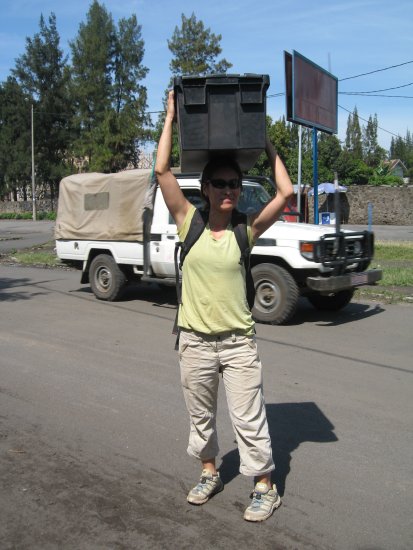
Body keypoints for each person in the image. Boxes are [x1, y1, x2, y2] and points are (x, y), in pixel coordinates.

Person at [155, 90, 293, 522]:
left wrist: (267, 143)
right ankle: (209, 472)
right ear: (206, 189)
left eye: (234, 184)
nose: (229, 190)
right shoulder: (187, 223)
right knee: (200, 418)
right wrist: (171, 117)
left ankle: (264, 486)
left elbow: (286, 192)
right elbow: (161, 170)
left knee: (249, 419)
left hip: (238, 345)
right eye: (221, 183)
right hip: (195, 343)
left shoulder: (245, 230)